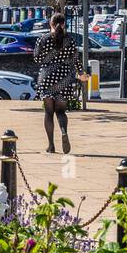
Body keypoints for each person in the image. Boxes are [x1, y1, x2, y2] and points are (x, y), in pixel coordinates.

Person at [33, 13, 87, 154]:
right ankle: (64, 131)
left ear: (50, 23)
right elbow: (76, 60)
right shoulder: (70, 40)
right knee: (61, 111)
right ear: (64, 24)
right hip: (64, 78)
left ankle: (51, 145)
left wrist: (48, 61)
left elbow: (37, 59)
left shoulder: (42, 39)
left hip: (47, 78)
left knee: (49, 112)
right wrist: (81, 74)